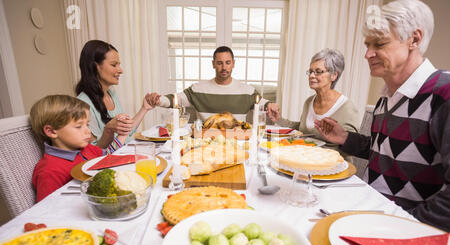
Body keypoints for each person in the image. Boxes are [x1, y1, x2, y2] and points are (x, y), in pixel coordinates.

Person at [314, 0, 450, 232]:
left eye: (380, 43)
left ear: (414, 40)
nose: (368, 54)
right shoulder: (387, 96)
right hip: (369, 214)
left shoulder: (444, 93)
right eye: (368, 44)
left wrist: (402, 223)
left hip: (404, 232)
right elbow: (385, 152)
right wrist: (345, 138)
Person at [148, 46, 281, 123]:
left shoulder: (247, 91)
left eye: (228, 63)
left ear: (233, 64)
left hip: (237, 144)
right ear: (213, 64)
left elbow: (263, 103)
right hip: (205, 144)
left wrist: (271, 105)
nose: (224, 67)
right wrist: (158, 100)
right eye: (219, 63)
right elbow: (176, 99)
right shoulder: (197, 89)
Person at [275, 49, 359, 159]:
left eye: (318, 71)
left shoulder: (347, 108)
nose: (311, 76)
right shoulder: (309, 101)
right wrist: (278, 119)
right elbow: (302, 129)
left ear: (333, 75)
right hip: (305, 162)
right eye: (310, 71)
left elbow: (352, 147)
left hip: (332, 168)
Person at [76, 40, 153, 152]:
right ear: (95, 66)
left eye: (119, 65)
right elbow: (93, 153)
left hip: (124, 153)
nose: (120, 70)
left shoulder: (111, 93)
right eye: (114, 65)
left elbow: (127, 132)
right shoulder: (82, 104)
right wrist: (108, 130)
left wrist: (144, 108)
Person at [30, 95, 105, 202]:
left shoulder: (86, 148)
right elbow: (47, 209)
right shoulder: (49, 171)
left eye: (87, 124)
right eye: (79, 126)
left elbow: (109, 160)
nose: (88, 131)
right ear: (51, 131)